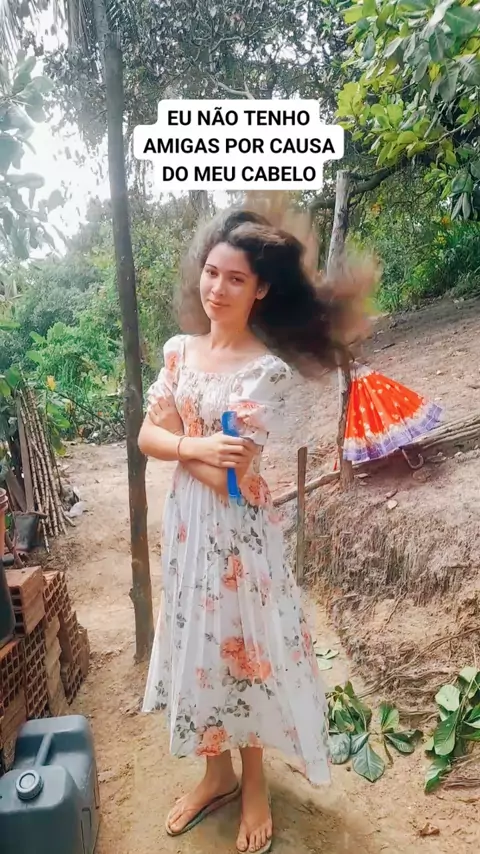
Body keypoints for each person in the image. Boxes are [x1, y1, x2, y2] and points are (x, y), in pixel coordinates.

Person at [138, 208, 376, 854]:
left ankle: (253, 784)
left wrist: (179, 443)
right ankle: (215, 774)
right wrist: (194, 446)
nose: (217, 289)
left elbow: (234, 480)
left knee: (241, 649)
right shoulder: (178, 351)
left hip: (238, 535)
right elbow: (146, 437)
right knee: (197, 639)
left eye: (235, 279)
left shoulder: (264, 373)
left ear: (260, 289)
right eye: (212, 273)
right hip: (187, 531)